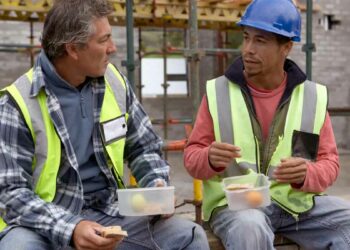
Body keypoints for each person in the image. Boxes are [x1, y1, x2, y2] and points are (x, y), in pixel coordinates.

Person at [0, 0, 210, 249]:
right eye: (104, 40)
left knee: (189, 237)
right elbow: (10, 192)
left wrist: (155, 184)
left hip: (109, 214)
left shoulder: (114, 83)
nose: (113, 48)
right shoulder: (17, 102)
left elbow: (144, 148)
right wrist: (72, 228)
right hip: (44, 225)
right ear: (73, 49)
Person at [184, 0, 350, 249]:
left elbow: (329, 163)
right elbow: (192, 158)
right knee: (251, 227)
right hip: (237, 206)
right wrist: (208, 158)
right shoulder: (219, 93)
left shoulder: (310, 98)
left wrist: (307, 173)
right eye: (246, 37)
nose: (248, 49)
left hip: (294, 206)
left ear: (286, 47)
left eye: (260, 41)